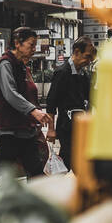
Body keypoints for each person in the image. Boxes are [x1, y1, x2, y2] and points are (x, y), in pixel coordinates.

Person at [0, 27, 55, 194]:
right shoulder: (6, 63)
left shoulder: (22, 67)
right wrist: (33, 111)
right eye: (31, 45)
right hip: (9, 131)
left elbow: (29, 94)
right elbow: (10, 94)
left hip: (25, 130)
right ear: (17, 43)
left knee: (35, 170)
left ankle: (41, 204)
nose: (34, 49)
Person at [45, 38, 94, 170]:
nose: (89, 61)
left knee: (73, 161)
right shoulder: (62, 72)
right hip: (66, 127)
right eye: (87, 56)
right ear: (77, 52)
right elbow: (51, 102)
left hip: (81, 126)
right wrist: (50, 129)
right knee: (75, 162)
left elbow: (91, 98)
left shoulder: (84, 74)